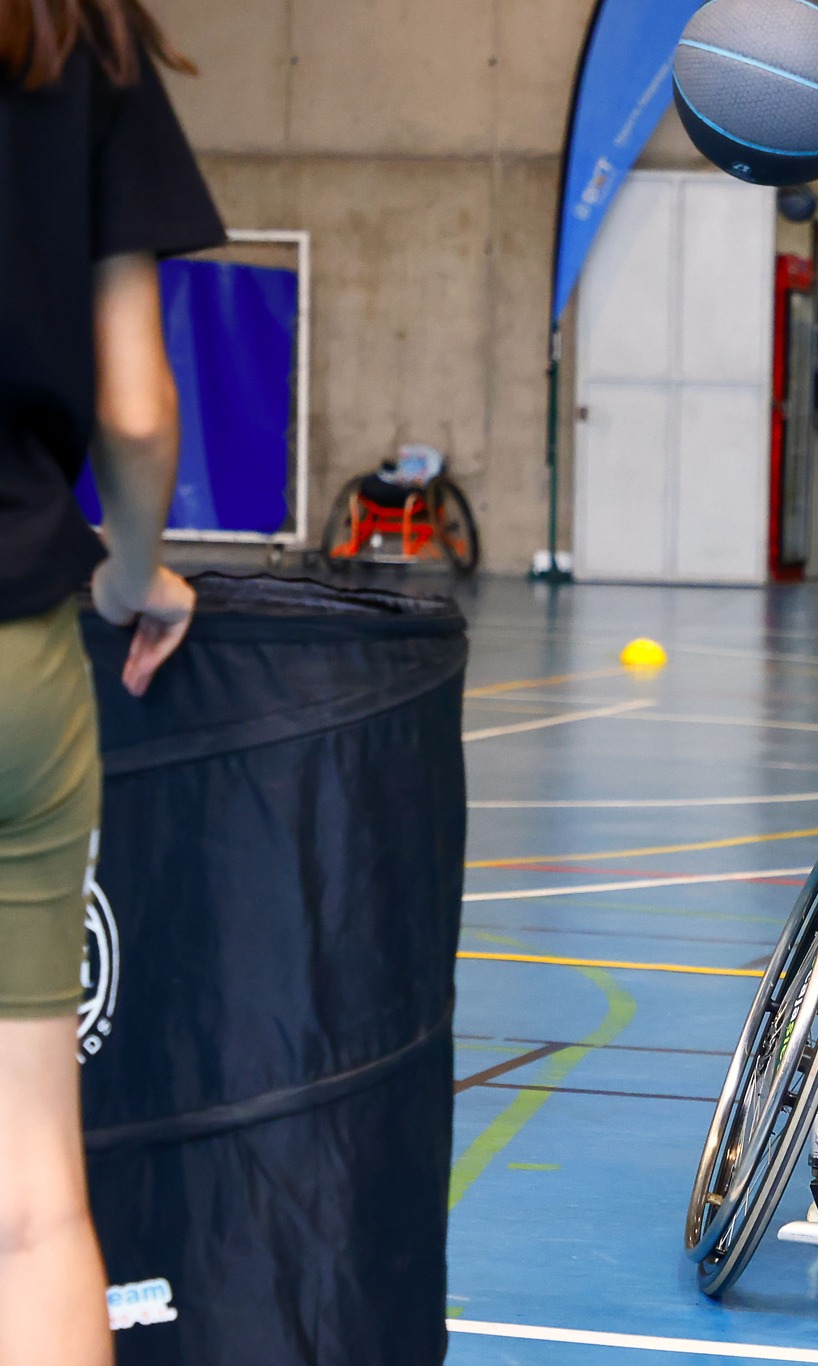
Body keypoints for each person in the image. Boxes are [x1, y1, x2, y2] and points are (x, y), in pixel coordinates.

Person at [1, 1, 224, 1360]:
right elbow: (137, 409)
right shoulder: (84, 42)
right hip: (19, 652)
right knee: (33, 1199)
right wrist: (135, 569)